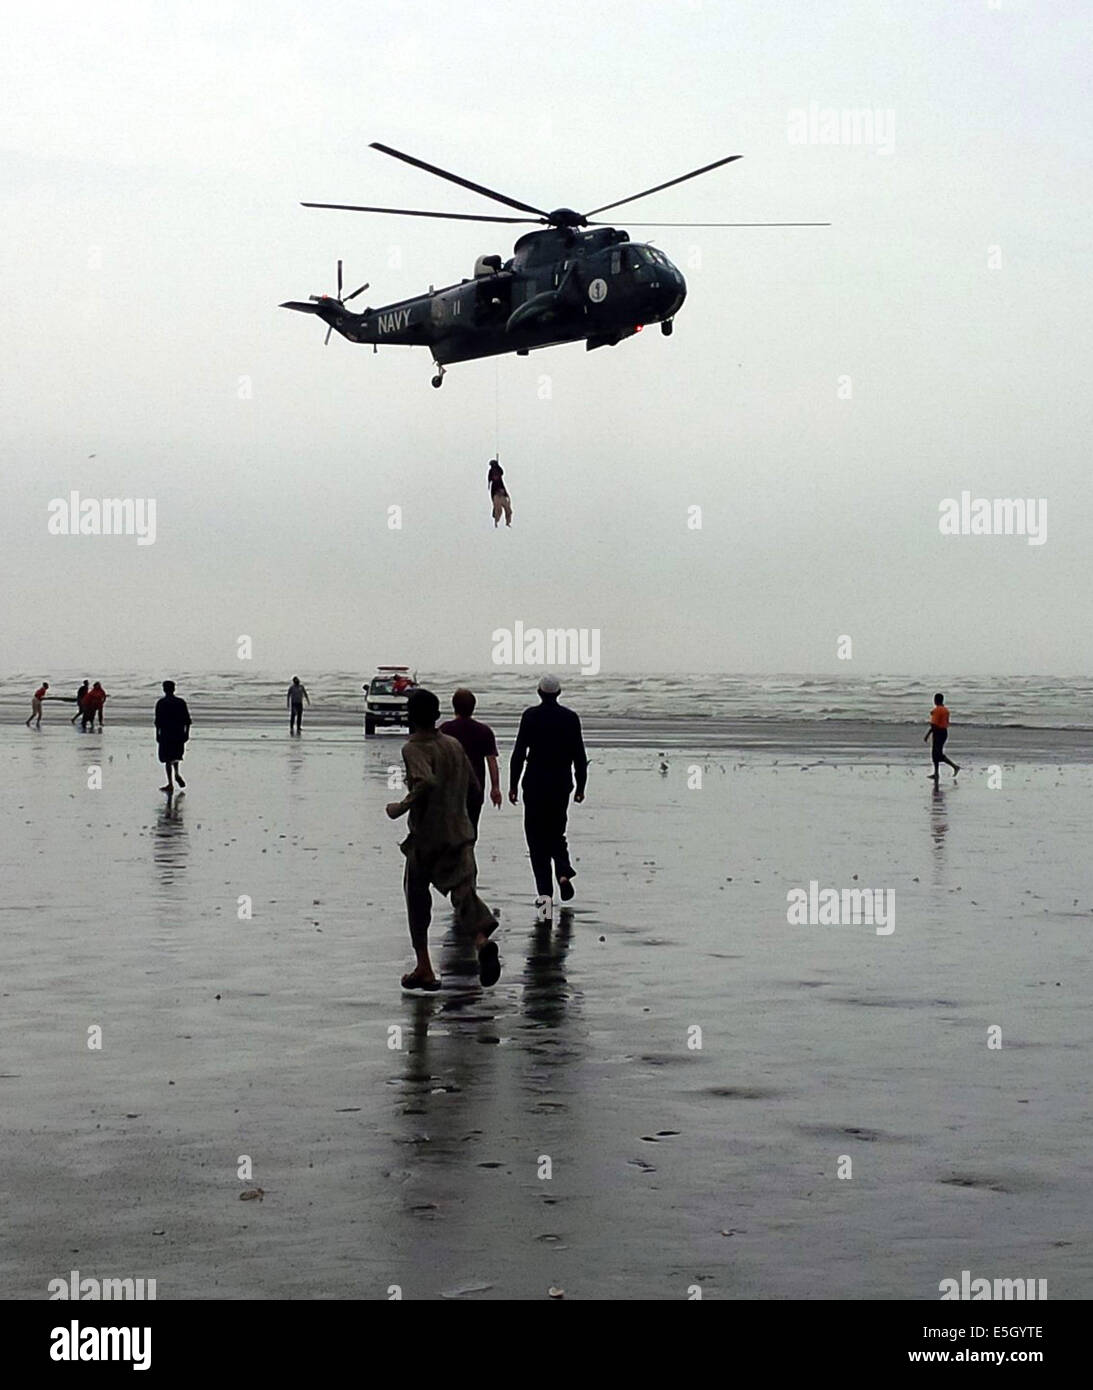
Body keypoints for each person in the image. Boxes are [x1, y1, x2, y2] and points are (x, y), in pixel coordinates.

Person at [386, 688, 500, 992]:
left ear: (410, 717)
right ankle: (481, 940)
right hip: (460, 831)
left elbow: (425, 781)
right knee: (462, 891)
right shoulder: (453, 745)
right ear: (436, 716)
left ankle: (424, 966)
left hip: (428, 837)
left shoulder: (413, 749)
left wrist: (400, 807)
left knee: (416, 893)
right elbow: (475, 788)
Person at [509, 674, 588, 922]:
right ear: (559, 693)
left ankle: (545, 902)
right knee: (556, 833)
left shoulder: (530, 716)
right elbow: (579, 755)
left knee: (536, 842)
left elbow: (519, 752)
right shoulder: (570, 718)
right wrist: (580, 787)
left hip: (534, 783)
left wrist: (512, 784)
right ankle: (563, 871)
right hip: (560, 783)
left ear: (539, 692)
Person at [440, 688, 502, 830]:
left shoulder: (445, 729)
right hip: (476, 787)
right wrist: (495, 788)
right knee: (471, 827)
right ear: (473, 707)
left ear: (454, 706)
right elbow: (491, 761)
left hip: (450, 787)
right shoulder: (484, 731)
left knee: (450, 829)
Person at [155, 680, 191, 794]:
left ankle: (170, 783)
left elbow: (158, 721)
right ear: (174, 689)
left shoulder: (161, 703)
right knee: (175, 756)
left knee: (167, 759)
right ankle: (177, 773)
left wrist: (157, 733)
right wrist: (187, 733)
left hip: (166, 732)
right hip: (178, 732)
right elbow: (187, 720)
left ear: (164, 689)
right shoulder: (180, 702)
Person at [924, 691, 959, 780]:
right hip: (944, 732)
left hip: (938, 732)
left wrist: (928, 734)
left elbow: (934, 724)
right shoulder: (945, 710)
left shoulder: (936, 710)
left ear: (935, 700)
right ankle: (936, 773)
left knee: (937, 754)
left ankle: (954, 766)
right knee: (936, 754)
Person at [488, 458, 512, 528]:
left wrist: (498, 466)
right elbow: (489, 478)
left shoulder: (500, 477)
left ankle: (508, 522)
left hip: (502, 494)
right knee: (498, 510)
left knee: (508, 510)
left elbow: (502, 472)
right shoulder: (491, 474)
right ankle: (496, 522)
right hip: (496, 495)